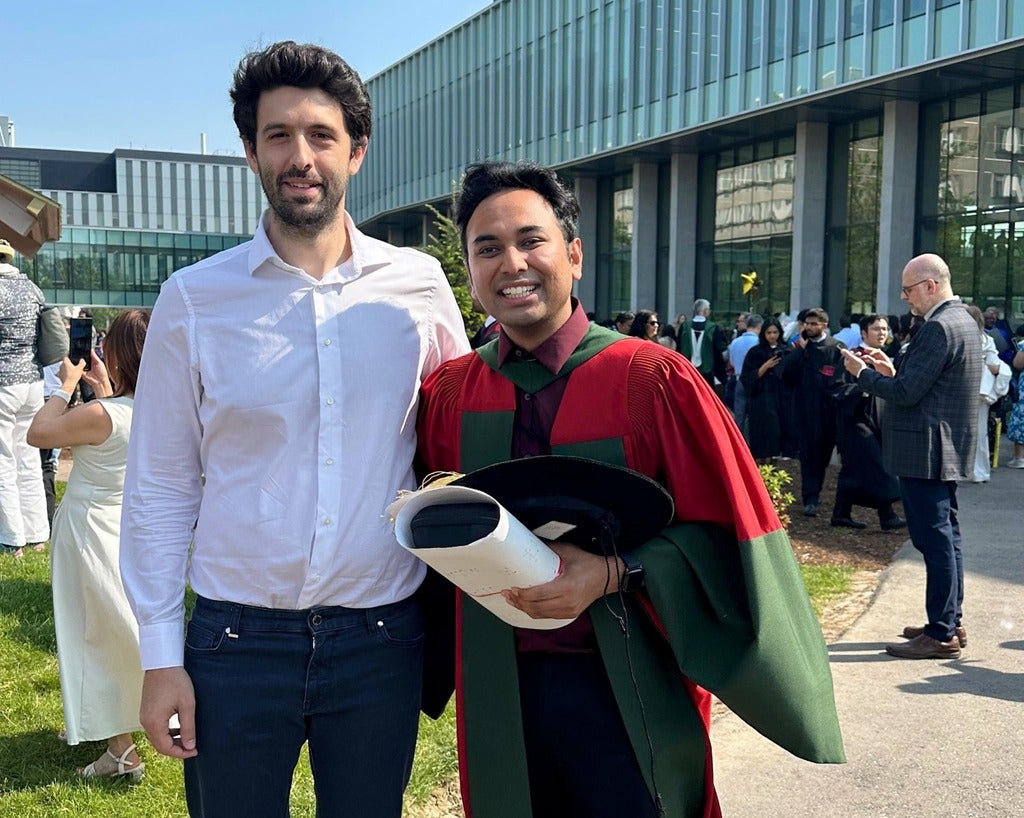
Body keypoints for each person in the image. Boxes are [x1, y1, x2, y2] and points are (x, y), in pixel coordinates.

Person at [417, 161, 843, 818]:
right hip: (499, 687)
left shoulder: (654, 381)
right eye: (488, 248)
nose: (512, 263)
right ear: (470, 274)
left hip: (631, 683)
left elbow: (728, 535)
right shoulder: (450, 394)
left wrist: (614, 572)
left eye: (531, 241)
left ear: (574, 255)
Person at [119, 41, 469, 818]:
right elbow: (162, 484)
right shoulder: (194, 299)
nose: (300, 156)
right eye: (278, 135)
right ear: (251, 152)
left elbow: (460, 439)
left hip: (382, 638)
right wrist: (159, 656)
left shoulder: (417, 286)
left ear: (357, 150)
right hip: (234, 646)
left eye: (320, 135)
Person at [27, 309, 150, 780]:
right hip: (124, 526)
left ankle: (121, 751)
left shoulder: (101, 414)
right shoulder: (158, 409)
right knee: (120, 624)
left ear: (116, 354)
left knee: (92, 632)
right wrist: (102, 390)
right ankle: (110, 719)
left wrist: (65, 385)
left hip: (86, 528)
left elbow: (38, 432)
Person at [841, 253, 980, 660]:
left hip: (926, 448)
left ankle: (941, 632)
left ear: (931, 286)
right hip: (941, 446)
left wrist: (863, 374)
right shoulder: (962, 321)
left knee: (934, 540)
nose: (904, 298)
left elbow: (905, 393)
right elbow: (924, 382)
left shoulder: (937, 326)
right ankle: (949, 620)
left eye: (908, 289)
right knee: (946, 537)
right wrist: (890, 369)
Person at [829, 314, 905, 530]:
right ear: (863, 333)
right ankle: (888, 511)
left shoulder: (886, 358)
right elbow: (837, 388)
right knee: (876, 465)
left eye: (884, 329)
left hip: (880, 420)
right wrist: (864, 386)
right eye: (876, 329)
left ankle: (842, 513)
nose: (882, 333)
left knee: (852, 470)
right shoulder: (852, 358)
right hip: (856, 421)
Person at [0, 237, 50, 558]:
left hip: (3, 383)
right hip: (32, 383)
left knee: (3, 461)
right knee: (29, 459)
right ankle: (38, 535)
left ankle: (12, 538)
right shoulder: (33, 289)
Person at [780, 307, 845, 516]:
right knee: (808, 456)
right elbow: (785, 374)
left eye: (814, 324)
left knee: (823, 455)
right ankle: (810, 498)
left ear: (824, 325)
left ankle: (817, 491)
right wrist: (800, 350)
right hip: (805, 412)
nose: (809, 327)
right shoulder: (799, 348)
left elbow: (842, 378)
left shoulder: (836, 348)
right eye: (807, 324)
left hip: (828, 413)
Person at [740, 317, 795, 461]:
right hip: (762, 399)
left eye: (775, 332)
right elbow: (746, 378)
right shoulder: (755, 352)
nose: (772, 336)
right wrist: (764, 367)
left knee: (783, 431)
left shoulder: (788, 351)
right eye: (769, 333)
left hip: (783, 399)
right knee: (766, 432)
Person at [966, 305, 1002, 483]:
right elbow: (995, 366)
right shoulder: (987, 340)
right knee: (980, 432)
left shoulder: (959, 337)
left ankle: (961, 469)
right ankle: (979, 471)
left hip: (960, 387)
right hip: (981, 390)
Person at [676, 298, 727, 388]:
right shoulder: (713, 328)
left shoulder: (684, 327)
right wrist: (722, 376)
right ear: (705, 311)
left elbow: (678, 348)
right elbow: (718, 352)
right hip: (707, 371)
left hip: (687, 370)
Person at [728, 312, 762, 433]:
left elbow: (731, 362)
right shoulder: (759, 342)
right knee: (753, 415)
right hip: (755, 381)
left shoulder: (735, 342)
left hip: (738, 380)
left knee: (739, 415)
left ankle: (737, 439)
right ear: (759, 326)